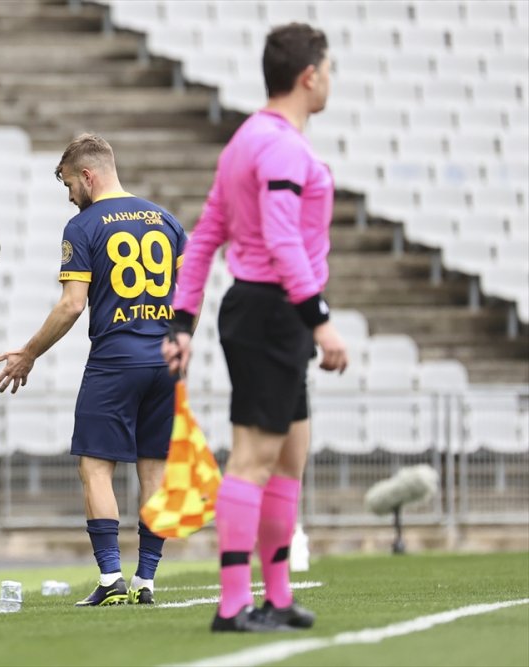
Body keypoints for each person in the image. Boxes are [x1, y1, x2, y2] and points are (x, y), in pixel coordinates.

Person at [162, 23, 349, 633]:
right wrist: (319, 321)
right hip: (272, 310)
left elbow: (208, 233)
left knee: (289, 458)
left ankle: (275, 595)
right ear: (309, 75)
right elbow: (280, 237)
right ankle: (232, 604)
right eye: (328, 68)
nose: (330, 79)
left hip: (264, 310)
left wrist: (183, 320)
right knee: (252, 459)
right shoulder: (281, 148)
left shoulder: (246, 139)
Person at [0, 134, 187, 607]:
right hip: (165, 358)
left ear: (87, 175)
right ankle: (147, 581)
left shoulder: (82, 227)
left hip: (115, 359)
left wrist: (29, 352)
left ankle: (110, 579)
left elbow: (72, 305)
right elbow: (188, 300)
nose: (69, 195)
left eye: (67, 184)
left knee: (95, 467)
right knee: (154, 469)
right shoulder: (167, 220)